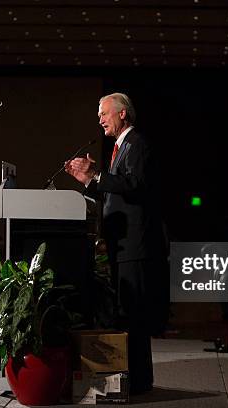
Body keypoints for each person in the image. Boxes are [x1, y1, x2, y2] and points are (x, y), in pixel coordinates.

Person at [65, 93, 167, 394]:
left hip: (134, 245)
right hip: (123, 245)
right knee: (127, 313)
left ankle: (139, 381)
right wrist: (90, 181)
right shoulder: (120, 148)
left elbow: (135, 186)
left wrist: (97, 173)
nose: (100, 119)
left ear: (122, 113)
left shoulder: (136, 143)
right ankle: (137, 379)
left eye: (104, 113)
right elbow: (116, 193)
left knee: (133, 314)